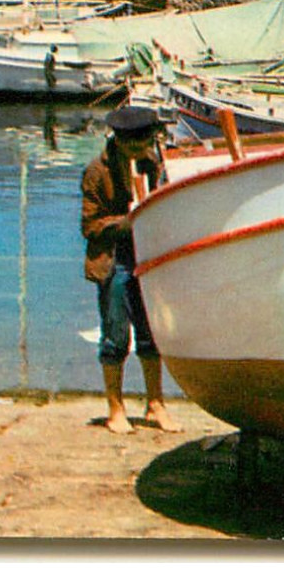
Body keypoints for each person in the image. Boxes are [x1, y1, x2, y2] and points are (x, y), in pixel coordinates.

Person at [80, 104, 181, 434]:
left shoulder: (153, 164)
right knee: (116, 338)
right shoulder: (97, 172)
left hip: (147, 258)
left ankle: (156, 405)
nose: (143, 150)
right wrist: (127, 221)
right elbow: (90, 226)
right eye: (136, 145)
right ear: (120, 141)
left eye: (146, 144)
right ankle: (115, 408)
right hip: (114, 260)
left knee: (152, 336)